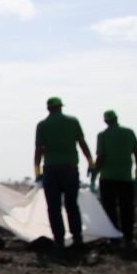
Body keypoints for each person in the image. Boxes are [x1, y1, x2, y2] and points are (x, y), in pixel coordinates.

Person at [34, 97, 94, 249]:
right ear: (61, 107)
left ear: (48, 109)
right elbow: (82, 143)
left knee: (53, 207)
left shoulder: (42, 125)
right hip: (70, 168)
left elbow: (39, 150)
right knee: (71, 205)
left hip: (51, 169)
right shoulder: (73, 121)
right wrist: (90, 162)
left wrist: (37, 171)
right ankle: (77, 238)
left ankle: (59, 240)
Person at [94, 109, 137, 247]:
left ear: (106, 121)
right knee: (127, 208)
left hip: (108, 177)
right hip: (125, 176)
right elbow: (136, 153)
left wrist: (94, 173)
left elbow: (101, 157)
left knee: (110, 208)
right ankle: (129, 236)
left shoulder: (102, 136)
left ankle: (114, 236)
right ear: (116, 119)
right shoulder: (129, 132)